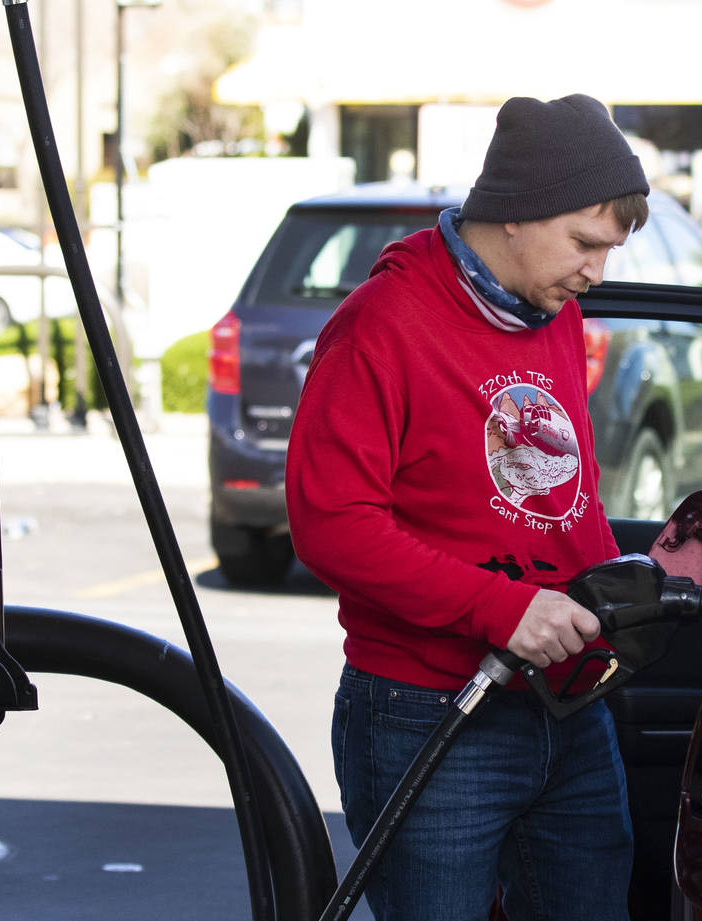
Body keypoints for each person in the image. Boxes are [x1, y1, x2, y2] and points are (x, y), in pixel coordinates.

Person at [285, 94, 651, 921]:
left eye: (610, 249)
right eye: (585, 243)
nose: (597, 269)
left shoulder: (552, 311)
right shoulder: (383, 324)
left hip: (566, 704)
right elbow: (330, 521)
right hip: (428, 708)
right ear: (518, 214)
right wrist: (501, 607)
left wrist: (625, 589)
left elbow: (568, 492)